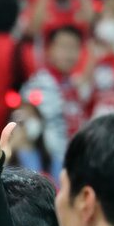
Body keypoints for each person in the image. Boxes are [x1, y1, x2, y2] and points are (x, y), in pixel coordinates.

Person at [21, 26, 86, 179]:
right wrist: (37, 174)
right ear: (49, 50)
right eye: (63, 47)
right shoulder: (39, 84)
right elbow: (24, 132)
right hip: (52, 168)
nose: (70, 54)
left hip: (73, 163)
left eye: (74, 47)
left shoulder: (72, 84)